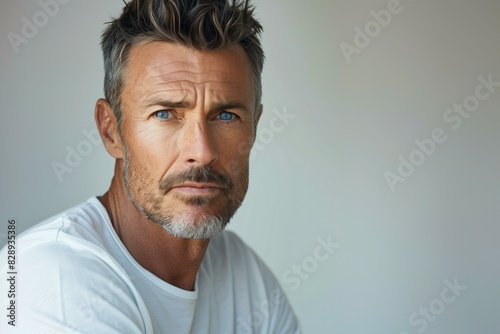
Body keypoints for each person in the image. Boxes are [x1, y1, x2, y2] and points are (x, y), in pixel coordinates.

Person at [0, 0, 301, 333]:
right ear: (111, 129)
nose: (201, 153)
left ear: (255, 126)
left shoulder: (241, 273)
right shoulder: (51, 276)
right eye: (164, 114)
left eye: (226, 116)